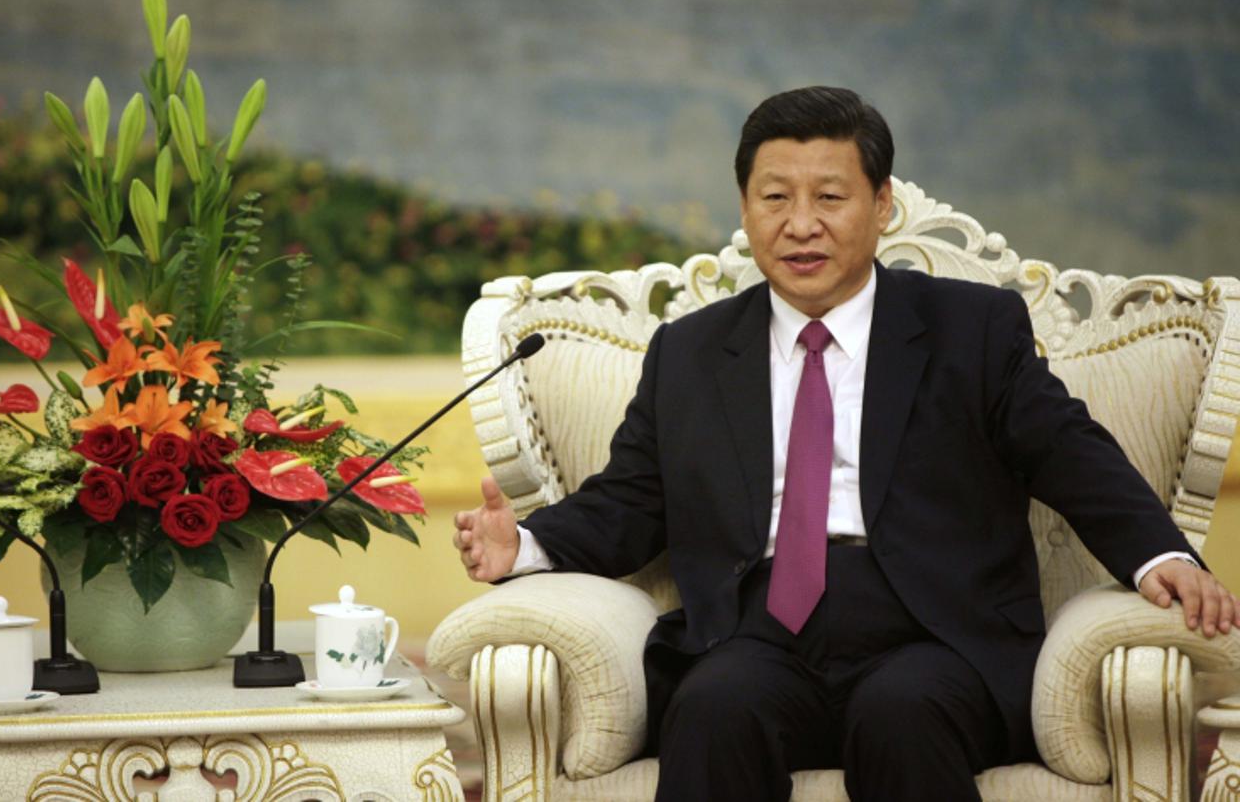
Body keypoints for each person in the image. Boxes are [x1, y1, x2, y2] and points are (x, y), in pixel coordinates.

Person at [452, 86, 1240, 802]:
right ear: (745, 206)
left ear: (882, 204)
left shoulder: (972, 329)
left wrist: (1158, 555)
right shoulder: (690, 352)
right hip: (754, 632)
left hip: (932, 633)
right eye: (775, 198)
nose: (802, 225)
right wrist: (522, 544)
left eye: (830, 197)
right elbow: (630, 500)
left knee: (901, 715)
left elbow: (1070, 450)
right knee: (712, 708)